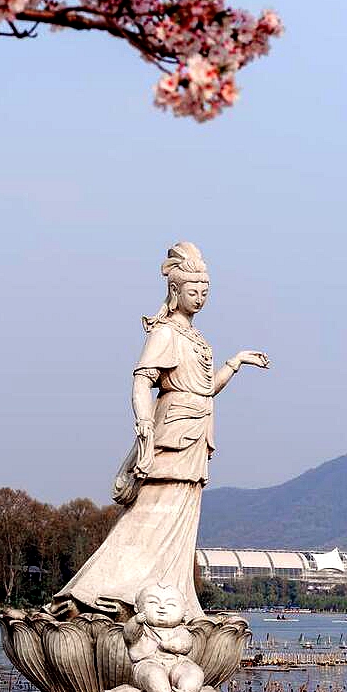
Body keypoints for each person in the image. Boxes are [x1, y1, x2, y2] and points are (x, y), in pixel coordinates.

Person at [50, 242, 269, 620]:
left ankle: (169, 597)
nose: (199, 298)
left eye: (205, 293)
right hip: (171, 433)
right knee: (151, 511)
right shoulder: (165, 332)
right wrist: (145, 431)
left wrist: (236, 363)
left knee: (182, 517)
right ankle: (104, 591)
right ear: (175, 291)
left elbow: (204, 388)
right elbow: (141, 381)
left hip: (197, 435)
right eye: (193, 291)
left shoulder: (196, 338)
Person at [124, 583, 203, 692]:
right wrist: (136, 622)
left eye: (171, 604)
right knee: (153, 674)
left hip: (177, 663)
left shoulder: (180, 630)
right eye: (152, 603)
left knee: (194, 672)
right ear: (137, 607)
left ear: (185, 611)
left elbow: (186, 644)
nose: (161, 608)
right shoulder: (142, 628)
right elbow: (129, 636)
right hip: (148, 662)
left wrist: (172, 645)